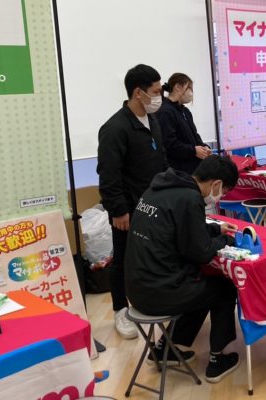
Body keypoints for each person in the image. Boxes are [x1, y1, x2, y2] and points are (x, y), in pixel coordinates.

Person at [125, 155, 241, 383]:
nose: (221, 196)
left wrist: (215, 230)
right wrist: (226, 241)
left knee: (200, 285)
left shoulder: (158, 189)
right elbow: (200, 253)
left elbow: (181, 231)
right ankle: (217, 360)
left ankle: (164, 349)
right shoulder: (190, 198)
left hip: (136, 289)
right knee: (224, 288)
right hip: (158, 292)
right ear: (216, 184)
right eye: (224, 191)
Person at [97, 64, 168, 339]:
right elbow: (109, 175)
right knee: (123, 258)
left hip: (155, 204)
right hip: (127, 209)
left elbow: (161, 160)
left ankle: (150, 298)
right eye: (156, 91)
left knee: (153, 254)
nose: (159, 96)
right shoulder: (115, 128)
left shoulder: (153, 121)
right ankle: (120, 309)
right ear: (139, 93)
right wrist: (118, 210)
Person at [158, 73, 212, 175]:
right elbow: (169, 144)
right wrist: (193, 151)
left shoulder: (185, 111)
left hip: (193, 168)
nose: (191, 93)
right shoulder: (165, 111)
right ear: (178, 87)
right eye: (189, 88)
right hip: (178, 171)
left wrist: (204, 147)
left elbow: (194, 136)